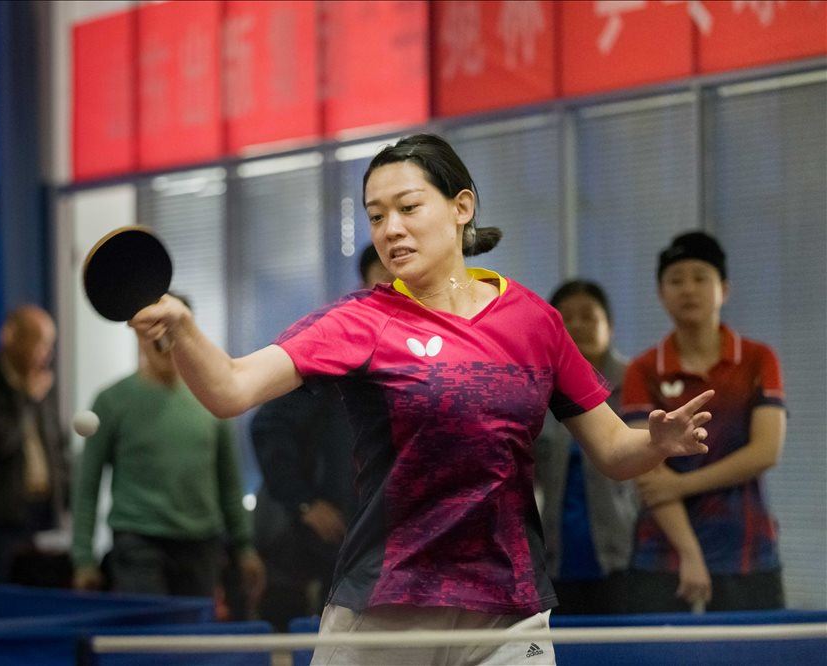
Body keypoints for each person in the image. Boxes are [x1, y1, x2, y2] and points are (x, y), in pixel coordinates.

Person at [129, 134, 713, 665]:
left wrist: (655, 443)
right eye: (376, 216)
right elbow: (230, 389)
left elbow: (612, 450)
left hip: (506, 608)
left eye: (408, 208)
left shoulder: (534, 322)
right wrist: (182, 329)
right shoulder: (360, 321)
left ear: (462, 207)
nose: (390, 229)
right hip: (388, 605)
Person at [622, 231, 787, 613]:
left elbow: (765, 452)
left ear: (723, 289)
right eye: (676, 280)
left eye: (700, 277)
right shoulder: (642, 370)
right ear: (661, 293)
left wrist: (682, 484)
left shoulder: (759, 359)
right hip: (662, 555)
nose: (688, 289)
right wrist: (690, 554)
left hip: (747, 551)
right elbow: (648, 471)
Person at [70, 295, 265, 602]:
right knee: (150, 629)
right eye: (154, 331)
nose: (163, 342)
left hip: (201, 544)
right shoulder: (111, 402)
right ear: (138, 333)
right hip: (139, 542)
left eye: (171, 329)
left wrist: (244, 547)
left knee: (194, 630)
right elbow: (88, 483)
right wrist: (83, 559)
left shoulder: (212, 397)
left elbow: (229, 481)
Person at [251, 245, 392, 630]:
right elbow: (268, 424)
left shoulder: (420, 353)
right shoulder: (341, 344)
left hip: (382, 538)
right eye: (384, 276)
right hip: (321, 539)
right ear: (366, 284)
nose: (395, 284)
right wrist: (304, 501)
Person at [534, 280, 637, 614]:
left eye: (588, 316)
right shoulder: (537, 388)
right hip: (556, 555)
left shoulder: (634, 381)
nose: (576, 325)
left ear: (609, 325)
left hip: (626, 554)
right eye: (566, 318)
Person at [0, 305, 68, 583]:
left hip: (44, 513)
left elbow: (58, 445)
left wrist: (66, 495)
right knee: (6, 592)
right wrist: (27, 400)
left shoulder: (43, 385)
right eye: (40, 343)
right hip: (3, 519)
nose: (47, 354)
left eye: (50, 345)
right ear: (11, 337)